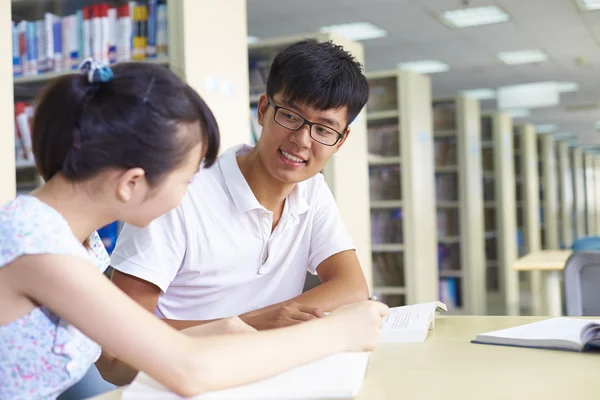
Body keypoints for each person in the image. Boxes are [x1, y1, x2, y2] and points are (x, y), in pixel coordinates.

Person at [0, 59, 388, 399]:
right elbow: (188, 369)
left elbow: (140, 347)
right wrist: (337, 333)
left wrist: (242, 327)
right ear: (133, 182)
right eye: (186, 178)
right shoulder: (36, 244)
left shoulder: (70, 241)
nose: (193, 188)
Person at [108, 39, 371, 334]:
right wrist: (254, 325)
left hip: (263, 368)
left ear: (341, 141)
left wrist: (277, 318)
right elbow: (119, 342)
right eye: (290, 116)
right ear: (262, 110)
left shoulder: (312, 190)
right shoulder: (178, 196)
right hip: (177, 374)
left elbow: (352, 288)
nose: (302, 140)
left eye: (323, 129)